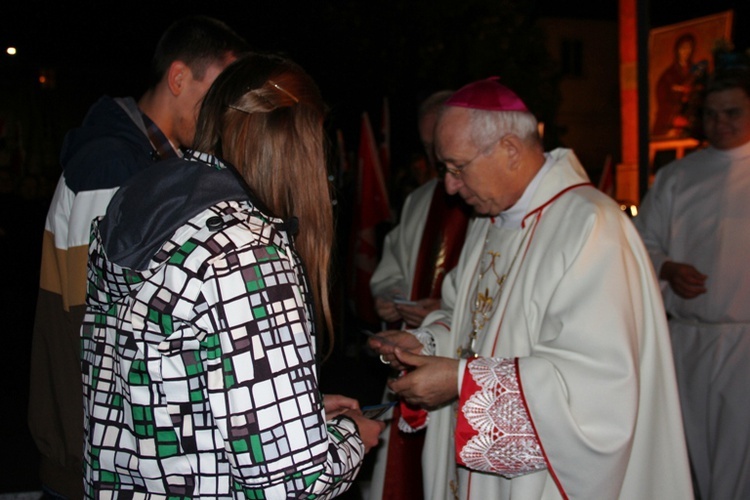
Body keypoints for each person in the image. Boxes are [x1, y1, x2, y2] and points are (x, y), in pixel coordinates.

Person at [369, 77, 693, 499]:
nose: (448, 186)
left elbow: (599, 388)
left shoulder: (591, 227)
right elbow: (465, 320)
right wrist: (425, 343)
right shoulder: (489, 222)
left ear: (508, 149)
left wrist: (463, 383)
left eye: (456, 167)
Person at [80, 53, 385, 497]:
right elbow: (294, 483)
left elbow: (167, 396)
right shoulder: (247, 251)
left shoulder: (138, 212)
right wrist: (353, 436)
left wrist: (297, 414)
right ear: (299, 146)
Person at [28, 16, 249, 498]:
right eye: (221, 92)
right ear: (178, 78)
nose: (228, 112)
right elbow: (101, 323)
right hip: (92, 460)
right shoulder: (111, 165)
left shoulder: (152, 165)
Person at [634, 67, 750, 500]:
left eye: (732, 112)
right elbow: (642, 242)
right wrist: (666, 268)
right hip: (686, 340)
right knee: (687, 449)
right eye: (711, 114)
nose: (720, 123)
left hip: (745, 343)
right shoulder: (678, 177)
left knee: (740, 456)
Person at [368, 91, 472, 500]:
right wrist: (389, 298)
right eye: (428, 145)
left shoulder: (486, 202)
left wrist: (444, 311)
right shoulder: (418, 200)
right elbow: (391, 267)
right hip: (416, 349)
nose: (434, 155)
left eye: (439, 144)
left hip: (458, 362)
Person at [652, 33, 700, 138]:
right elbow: (662, 95)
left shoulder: (696, 71)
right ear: (677, 50)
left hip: (690, 111)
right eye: (683, 48)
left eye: (689, 48)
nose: (686, 51)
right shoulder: (669, 74)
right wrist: (678, 91)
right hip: (672, 112)